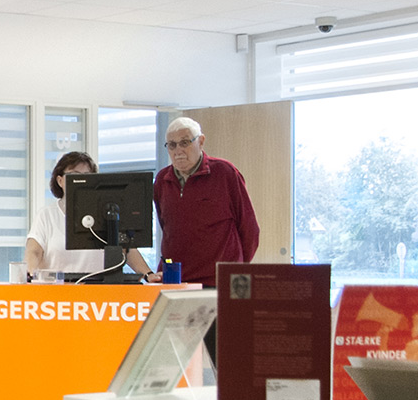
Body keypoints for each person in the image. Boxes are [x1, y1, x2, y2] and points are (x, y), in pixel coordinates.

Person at [126, 117, 260, 361]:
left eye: (185, 142)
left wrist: (235, 271)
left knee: (229, 361)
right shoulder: (162, 180)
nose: (178, 150)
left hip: (220, 285)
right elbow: (168, 229)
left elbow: (249, 229)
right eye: (172, 145)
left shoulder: (225, 173)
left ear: (201, 141)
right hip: (177, 284)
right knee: (170, 361)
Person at [24, 150, 104, 277]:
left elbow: (126, 249)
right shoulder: (46, 215)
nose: (82, 180)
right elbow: (34, 251)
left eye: (87, 176)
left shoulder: (104, 214)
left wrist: (142, 273)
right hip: (57, 287)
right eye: (74, 175)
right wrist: (30, 273)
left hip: (97, 287)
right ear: (60, 181)